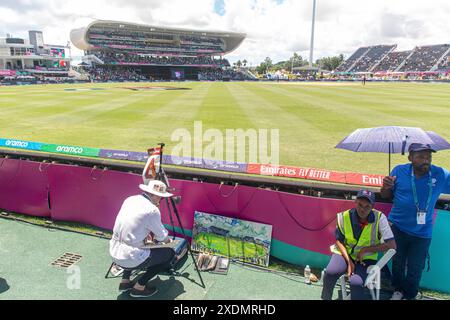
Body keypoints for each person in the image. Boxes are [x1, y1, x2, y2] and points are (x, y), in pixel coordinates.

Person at [381, 143, 450, 300]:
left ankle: (410, 295)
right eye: (421, 157)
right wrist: (386, 187)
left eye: (428, 157)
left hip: (422, 233)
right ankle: (397, 291)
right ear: (410, 157)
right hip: (397, 227)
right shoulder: (399, 170)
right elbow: (385, 195)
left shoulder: (439, 174)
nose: (426, 160)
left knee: (415, 268)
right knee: (398, 263)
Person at [321, 190, 396, 300]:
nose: (362, 209)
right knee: (330, 273)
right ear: (355, 202)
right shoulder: (344, 216)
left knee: (356, 282)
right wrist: (349, 262)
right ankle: (325, 298)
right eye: (360, 204)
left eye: (367, 206)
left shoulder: (380, 218)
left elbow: (392, 245)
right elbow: (339, 241)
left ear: (372, 207)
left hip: (366, 258)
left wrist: (365, 250)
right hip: (344, 253)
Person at [110, 180, 175, 298]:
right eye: (161, 197)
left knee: (132, 243)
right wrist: (170, 243)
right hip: (129, 257)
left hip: (114, 251)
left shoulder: (130, 199)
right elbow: (162, 237)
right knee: (169, 253)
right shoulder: (152, 210)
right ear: (155, 195)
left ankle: (125, 281)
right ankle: (139, 287)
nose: (161, 200)